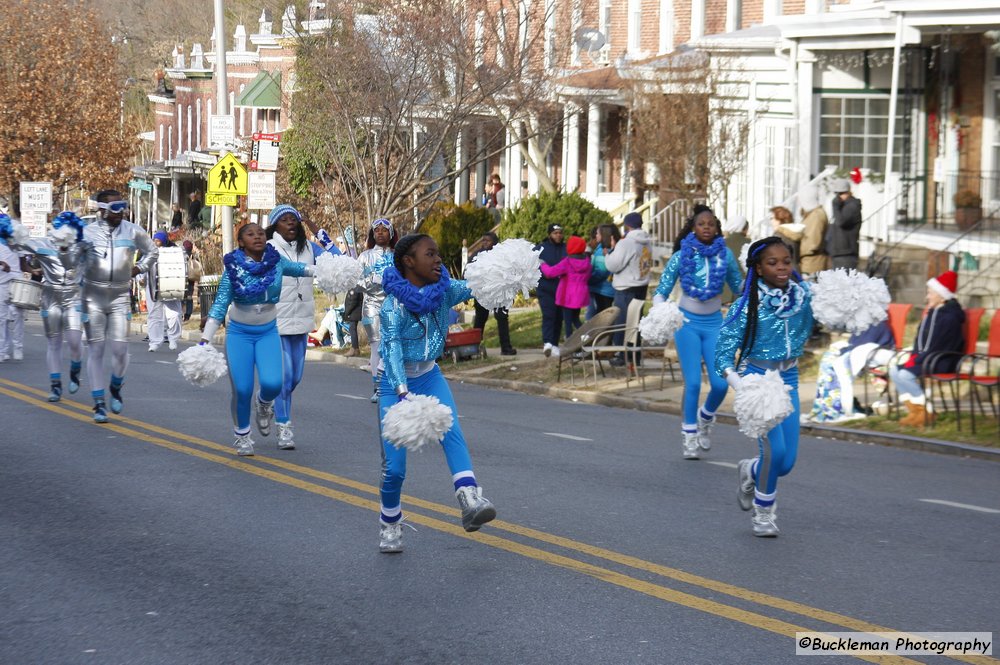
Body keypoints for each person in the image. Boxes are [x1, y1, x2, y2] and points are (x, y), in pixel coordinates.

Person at [375, 233, 496, 552]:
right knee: (395, 468)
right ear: (409, 262)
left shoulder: (445, 290)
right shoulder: (392, 307)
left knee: (452, 432)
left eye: (439, 253)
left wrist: (500, 274)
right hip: (394, 384)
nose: (438, 259)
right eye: (430, 254)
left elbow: (473, 287)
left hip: (429, 376)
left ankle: (470, 498)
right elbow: (391, 350)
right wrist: (402, 394)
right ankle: (389, 521)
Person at [716, 237, 815, 537]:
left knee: (787, 463)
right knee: (775, 452)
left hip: (790, 379)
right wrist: (740, 386)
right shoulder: (747, 304)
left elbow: (820, 320)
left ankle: (750, 470)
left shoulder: (803, 297)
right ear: (758, 268)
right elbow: (722, 354)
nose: (781, 267)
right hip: (759, 382)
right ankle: (764, 513)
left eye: (786, 261)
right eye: (772, 263)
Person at [200, 223, 314, 456]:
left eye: (261, 233)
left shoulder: (276, 262)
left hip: (268, 332)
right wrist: (205, 340)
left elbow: (300, 268)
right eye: (250, 235)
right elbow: (221, 303)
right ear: (241, 242)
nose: (257, 237)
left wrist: (327, 271)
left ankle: (264, 404)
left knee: (273, 384)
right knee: (242, 389)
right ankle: (242, 435)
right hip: (239, 334)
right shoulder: (233, 268)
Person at [653, 206, 743, 459]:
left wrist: (755, 278)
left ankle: (705, 417)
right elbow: (661, 289)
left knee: (720, 383)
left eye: (711, 224)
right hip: (687, 325)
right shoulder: (682, 255)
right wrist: (660, 309)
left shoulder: (725, 255)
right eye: (701, 224)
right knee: (692, 383)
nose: (706, 227)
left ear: (716, 229)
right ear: (693, 227)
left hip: (715, 324)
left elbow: (739, 286)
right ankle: (689, 435)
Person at [80, 190, 158, 423]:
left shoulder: (133, 230)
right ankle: (99, 403)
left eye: (122, 207)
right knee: (95, 350)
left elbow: (152, 251)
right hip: (92, 297)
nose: (120, 212)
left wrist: (139, 268)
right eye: (115, 208)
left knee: (120, 350)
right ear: (101, 209)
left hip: (119, 297)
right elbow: (71, 261)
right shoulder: (86, 233)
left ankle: (115, 385)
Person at [265, 204, 338, 449]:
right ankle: (284, 427)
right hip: (275, 320)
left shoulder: (309, 248)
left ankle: (266, 400)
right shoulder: (268, 248)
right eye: (285, 220)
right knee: (284, 377)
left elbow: (336, 262)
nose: (291, 224)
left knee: (295, 378)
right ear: (275, 225)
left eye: (294, 220)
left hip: (302, 320)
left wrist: (321, 234)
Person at [3, 212, 88, 398]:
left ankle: (75, 368)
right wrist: (10, 230)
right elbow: (17, 243)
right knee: (54, 342)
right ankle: (55, 384)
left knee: (74, 340)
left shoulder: (82, 246)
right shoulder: (42, 244)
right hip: (50, 296)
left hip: (74, 296)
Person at [889, 271, 966, 428]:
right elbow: (920, 340)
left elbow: (940, 345)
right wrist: (914, 356)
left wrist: (917, 359)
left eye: (930, 293)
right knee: (893, 371)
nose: (927, 297)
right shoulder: (932, 314)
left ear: (942, 297)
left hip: (942, 360)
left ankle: (927, 412)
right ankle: (915, 411)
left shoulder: (950, 318)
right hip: (927, 358)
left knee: (905, 375)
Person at [808, 318, 894, 423]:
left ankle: (838, 406)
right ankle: (829, 405)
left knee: (833, 367)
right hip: (861, 353)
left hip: (874, 355)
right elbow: (854, 343)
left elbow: (861, 345)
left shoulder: (874, 324)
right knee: (827, 361)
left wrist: (843, 351)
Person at [605, 212, 652, 367]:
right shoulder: (646, 241)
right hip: (641, 286)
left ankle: (621, 354)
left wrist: (608, 253)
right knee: (635, 323)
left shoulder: (626, 243)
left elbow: (613, 265)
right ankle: (634, 355)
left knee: (622, 322)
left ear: (626, 225)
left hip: (626, 288)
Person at [357, 218, 397, 401]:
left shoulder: (398, 255)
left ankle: (391, 383)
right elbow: (355, 281)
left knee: (393, 343)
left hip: (394, 304)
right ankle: (377, 387)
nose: (380, 233)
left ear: (391, 233)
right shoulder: (365, 256)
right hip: (371, 305)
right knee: (377, 346)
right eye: (377, 230)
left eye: (384, 230)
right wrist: (372, 281)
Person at [539, 234, 591, 349]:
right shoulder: (587, 262)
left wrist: (542, 264)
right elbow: (588, 277)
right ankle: (585, 336)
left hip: (567, 295)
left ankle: (569, 344)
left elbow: (550, 273)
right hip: (581, 295)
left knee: (567, 321)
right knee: (575, 319)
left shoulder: (568, 262)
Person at [469, 232, 516, 356]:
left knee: (502, 318)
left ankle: (506, 348)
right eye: (483, 240)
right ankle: (474, 349)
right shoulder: (477, 255)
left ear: (495, 242)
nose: (484, 243)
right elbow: (468, 273)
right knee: (480, 320)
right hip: (483, 293)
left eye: (487, 240)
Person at [145, 231, 184, 352]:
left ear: (164, 241)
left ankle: (173, 338)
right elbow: (143, 264)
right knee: (154, 315)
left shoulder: (174, 251)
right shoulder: (149, 251)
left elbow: (182, 266)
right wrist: (140, 278)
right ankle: (154, 341)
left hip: (170, 284)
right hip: (152, 285)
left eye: (158, 240)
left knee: (174, 314)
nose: (156, 243)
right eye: (155, 240)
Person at [535, 224, 566, 357]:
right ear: (549, 234)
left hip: (562, 290)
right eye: (555, 233)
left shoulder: (566, 248)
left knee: (559, 318)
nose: (558, 235)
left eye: (560, 233)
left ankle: (554, 344)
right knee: (549, 315)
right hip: (546, 289)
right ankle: (547, 342)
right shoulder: (540, 249)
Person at [0, 217, 25, 362]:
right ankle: (2, 351)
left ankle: (18, 347)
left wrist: (32, 270)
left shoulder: (15, 228)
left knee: (18, 314)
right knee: (1, 318)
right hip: (1, 280)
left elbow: (22, 262)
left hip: (16, 278)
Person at [826, 178, 862, 270]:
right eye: (837, 194)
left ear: (848, 192)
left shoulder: (852, 206)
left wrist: (835, 206)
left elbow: (841, 222)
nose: (838, 197)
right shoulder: (842, 206)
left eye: (841, 193)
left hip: (846, 254)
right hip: (838, 253)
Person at [586, 224, 618, 319]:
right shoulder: (607, 249)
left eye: (598, 234)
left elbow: (601, 272)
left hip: (601, 290)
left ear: (603, 235)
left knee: (601, 319)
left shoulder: (602, 251)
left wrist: (587, 280)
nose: (596, 236)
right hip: (607, 289)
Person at [797, 186, 829, 277]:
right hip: (809, 263)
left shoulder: (816, 215)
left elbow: (812, 243)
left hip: (812, 265)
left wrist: (794, 251)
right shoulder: (812, 213)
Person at [770, 206, 804, 270]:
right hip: (795, 270)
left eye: (772, 218)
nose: (771, 221)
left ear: (780, 220)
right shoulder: (794, 233)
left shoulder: (778, 236)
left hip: (782, 271)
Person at [182, 239, 202, 322]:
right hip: (191, 279)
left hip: (182, 279)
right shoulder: (194, 256)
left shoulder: (181, 255)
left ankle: (181, 314)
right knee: (189, 297)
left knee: (182, 298)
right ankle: (188, 314)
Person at [342, 285, 363, 357]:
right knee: (352, 329)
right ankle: (355, 348)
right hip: (353, 312)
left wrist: (347, 312)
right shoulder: (354, 287)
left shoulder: (355, 287)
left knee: (352, 329)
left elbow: (353, 301)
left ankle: (354, 348)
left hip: (354, 312)